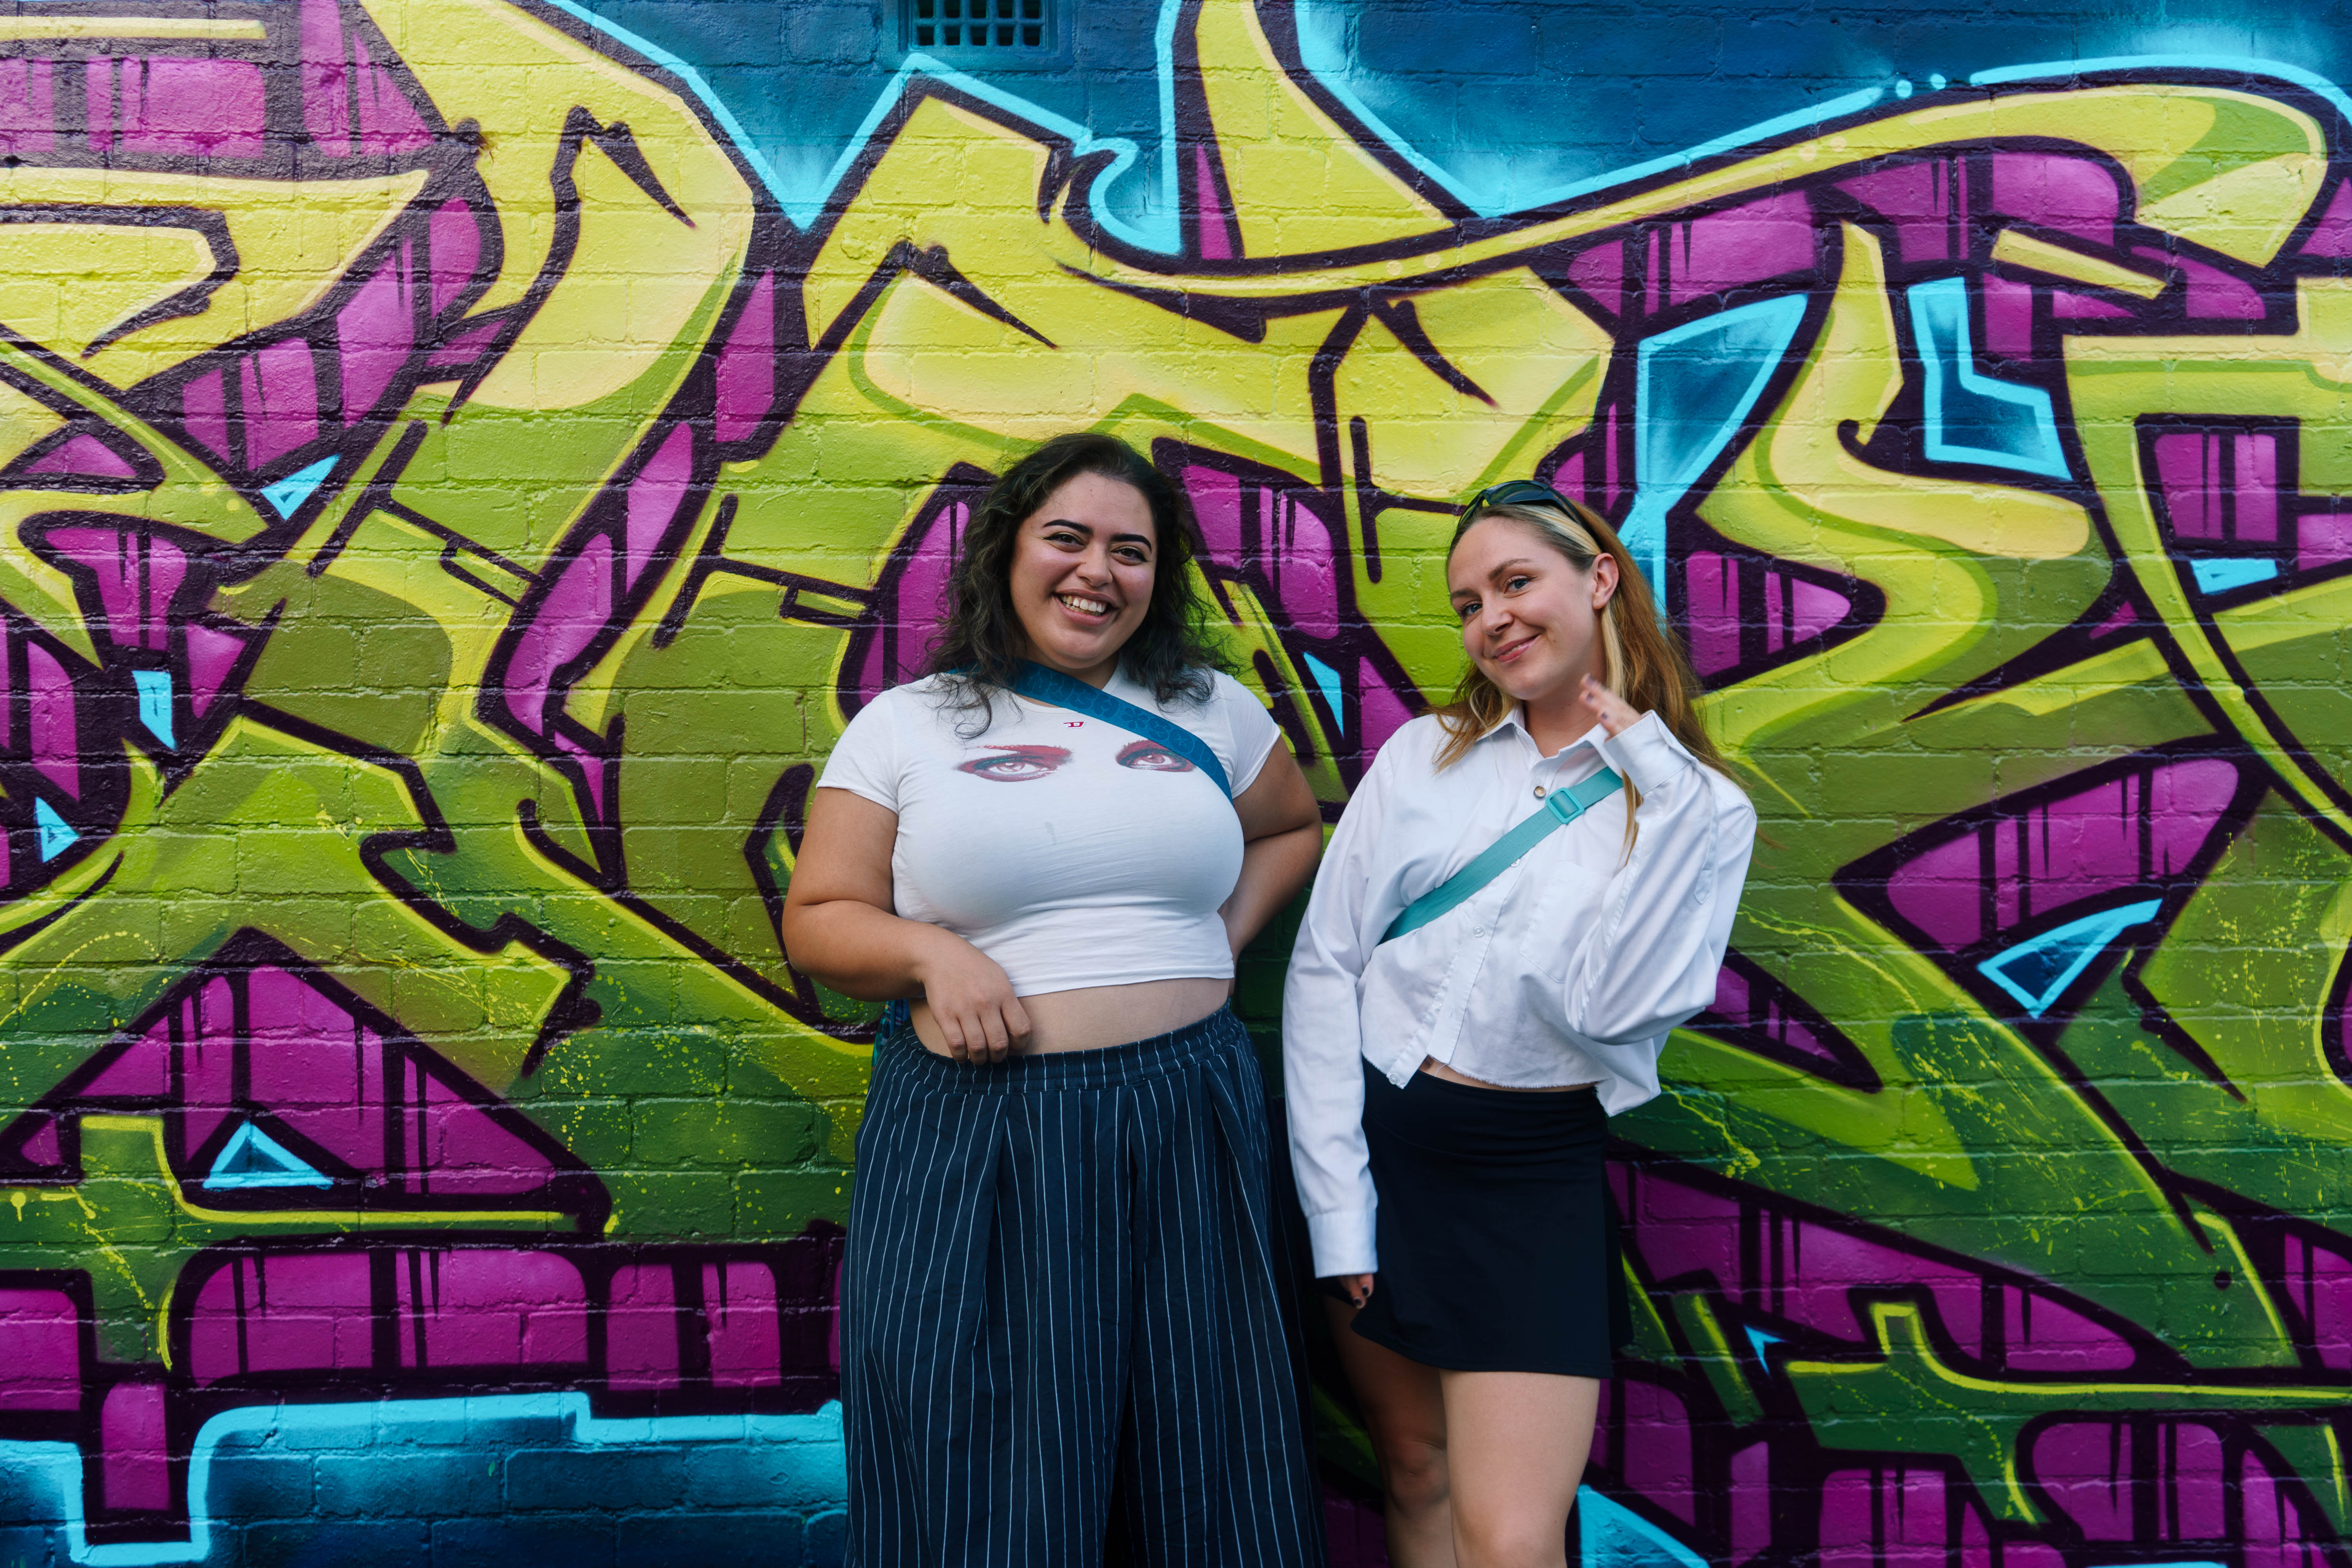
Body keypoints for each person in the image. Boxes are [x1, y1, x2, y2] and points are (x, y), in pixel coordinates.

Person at [780, 432, 1328, 1567]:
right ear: (1007, 552)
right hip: (982, 1129)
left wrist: (1215, 940)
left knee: (1209, 1443)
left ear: (1159, 576)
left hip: (1189, 1121)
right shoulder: (911, 722)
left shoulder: (1212, 709)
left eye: (1131, 551)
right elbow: (821, 916)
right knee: (988, 1468)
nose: (1097, 572)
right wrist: (931, 957)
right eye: (1067, 539)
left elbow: (1290, 827)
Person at [1282, 481, 1756, 1568]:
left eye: (1515, 583)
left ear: (1598, 580)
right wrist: (1338, 1210)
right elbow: (1326, 969)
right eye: (1468, 604)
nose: (1491, 619)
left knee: (1509, 1539)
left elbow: (1614, 1012)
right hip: (1382, 1151)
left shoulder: (1701, 810)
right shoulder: (1425, 757)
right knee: (1416, 1470)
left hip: (1531, 1180)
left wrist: (1659, 792)